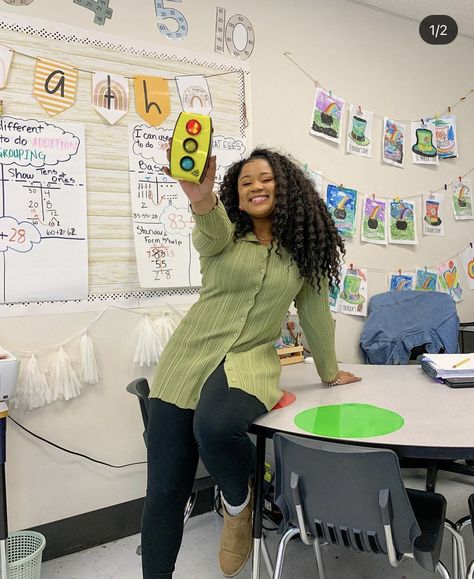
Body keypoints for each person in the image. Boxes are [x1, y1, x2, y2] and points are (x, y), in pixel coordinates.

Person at [141, 147, 361, 579]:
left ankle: (239, 504)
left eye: (265, 179)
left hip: (249, 365)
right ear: (236, 198)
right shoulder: (223, 236)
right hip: (184, 362)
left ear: (286, 189)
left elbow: (315, 315)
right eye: (245, 182)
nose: (256, 186)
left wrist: (329, 372)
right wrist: (202, 198)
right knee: (164, 492)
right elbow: (208, 228)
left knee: (215, 426)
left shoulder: (303, 255)